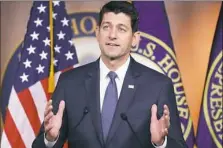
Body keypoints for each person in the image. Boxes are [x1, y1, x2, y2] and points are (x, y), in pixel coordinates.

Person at [32, 1, 187, 148]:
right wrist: (50, 139)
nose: (112, 35)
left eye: (121, 29)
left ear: (134, 39)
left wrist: (161, 143)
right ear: (97, 33)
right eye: (106, 27)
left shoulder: (158, 86)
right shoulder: (70, 82)